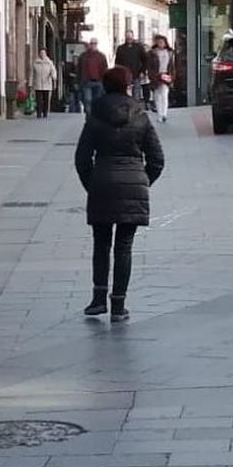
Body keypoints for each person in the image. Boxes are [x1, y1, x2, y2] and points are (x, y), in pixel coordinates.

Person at [74, 65, 165, 321]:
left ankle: (97, 299)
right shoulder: (141, 115)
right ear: (128, 86)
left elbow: (82, 158)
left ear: (104, 86)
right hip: (133, 181)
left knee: (101, 244)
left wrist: (91, 184)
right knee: (124, 246)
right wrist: (143, 181)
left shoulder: (95, 114)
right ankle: (118, 305)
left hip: (102, 182)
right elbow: (157, 158)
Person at [147, 34, 175, 123]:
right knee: (157, 96)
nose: (161, 44)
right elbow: (149, 66)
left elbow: (172, 66)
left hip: (166, 75)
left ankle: (164, 114)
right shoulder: (152, 53)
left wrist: (172, 76)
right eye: (159, 42)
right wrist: (151, 76)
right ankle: (159, 114)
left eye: (162, 42)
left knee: (164, 94)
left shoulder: (170, 53)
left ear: (165, 43)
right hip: (156, 76)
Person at [80, 38, 109, 117]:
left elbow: (105, 69)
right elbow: (79, 69)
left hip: (98, 82)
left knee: (97, 100)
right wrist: (78, 81)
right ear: (89, 44)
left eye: (95, 43)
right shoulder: (83, 56)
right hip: (87, 82)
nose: (93, 45)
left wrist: (105, 81)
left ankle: (96, 116)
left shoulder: (101, 56)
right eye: (92, 43)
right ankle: (89, 116)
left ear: (97, 44)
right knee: (87, 100)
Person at [115, 33, 148, 102]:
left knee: (136, 93)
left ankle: (136, 108)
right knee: (124, 93)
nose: (129, 39)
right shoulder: (121, 48)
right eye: (127, 37)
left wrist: (142, 71)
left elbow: (145, 60)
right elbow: (117, 62)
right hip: (124, 75)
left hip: (136, 74)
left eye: (130, 37)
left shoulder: (139, 47)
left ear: (133, 37)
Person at [31, 49, 58, 119]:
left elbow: (53, 70)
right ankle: (39, 113)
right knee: (38, 99)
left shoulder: (49, 63)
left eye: (43, 53)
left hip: (47, 84)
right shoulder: (35, 63)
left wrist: (53, 77)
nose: (42, 54)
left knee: (46, 99)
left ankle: (45, 112)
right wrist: (30, 83)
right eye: (41, 53)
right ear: (39, 54)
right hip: (38, 84)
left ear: (46, 54)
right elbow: (31, 74)